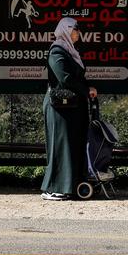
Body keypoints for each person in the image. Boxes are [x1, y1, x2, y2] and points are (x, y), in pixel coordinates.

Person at [41, 18, 97, 200]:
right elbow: (64, 78)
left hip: (73, 107)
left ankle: (70, 186)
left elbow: (77, 77)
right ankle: (53, 188)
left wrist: (89, 89)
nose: (78, 32)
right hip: (60, 108)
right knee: (61, 145)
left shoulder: (71, 51)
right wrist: (86, 90)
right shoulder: (57, 51)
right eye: (76, 29)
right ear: (66, 30)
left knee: (73, 145)